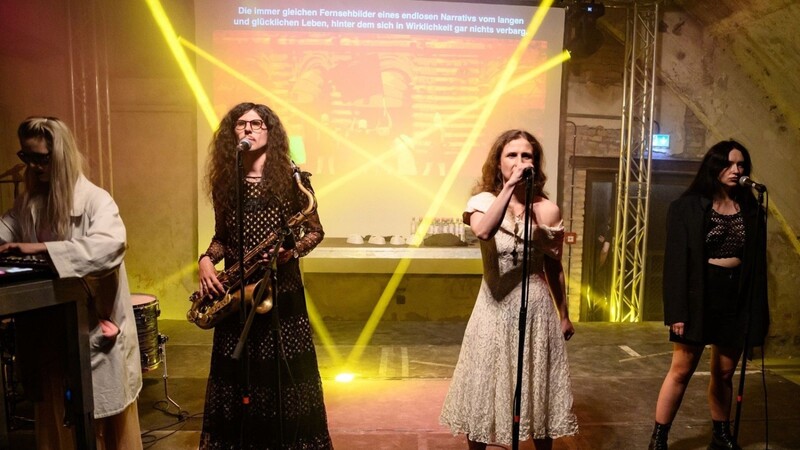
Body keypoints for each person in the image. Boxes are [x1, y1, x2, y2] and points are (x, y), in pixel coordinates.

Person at [0, 116, 143, 449]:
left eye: (41, 158)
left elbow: (110, 247)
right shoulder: (29, 204)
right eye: (27, 157)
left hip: (91, 323)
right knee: (56, 413)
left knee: (98, 418)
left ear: (60, 156)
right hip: (50, 328)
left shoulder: (96, 200)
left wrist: (41, 249)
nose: (33, 167)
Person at [197, 102, 332, 449]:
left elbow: (315, 231)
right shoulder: (226, 183)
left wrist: (291, 252)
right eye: (241, 124)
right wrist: (206, 261)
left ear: (270, 132)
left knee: (283, 377)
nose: (248, 129)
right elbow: (222, 239)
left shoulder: (292, 181)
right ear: (233, 134)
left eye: (257, 124)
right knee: (240, 377)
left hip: (281, 292)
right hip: (238, 295)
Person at [440, 130, 579, 450]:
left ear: (536, 162)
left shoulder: (547, 209)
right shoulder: (483, 202)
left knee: (535, 385)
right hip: (493, 305)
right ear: (498, 162)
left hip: (535, 308)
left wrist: (564, 314)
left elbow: (553, 265)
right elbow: (484, 230)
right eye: (512, 155)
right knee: (485, 383)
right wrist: (511, 188)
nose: (519, 161)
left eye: (526, 156)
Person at [648, 140, 769, 450]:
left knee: (725, 372)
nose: (736, 170)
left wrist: (756, 312)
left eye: (741, 165)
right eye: (729, 164)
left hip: (735, 294)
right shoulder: (686, 207)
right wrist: (677, 311)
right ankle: (659, 436)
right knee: (682, 369)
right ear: (714, 167)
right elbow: (675, 263)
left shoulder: (752, 210)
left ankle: (721, 433)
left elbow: (757, 264)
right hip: (700, 293)